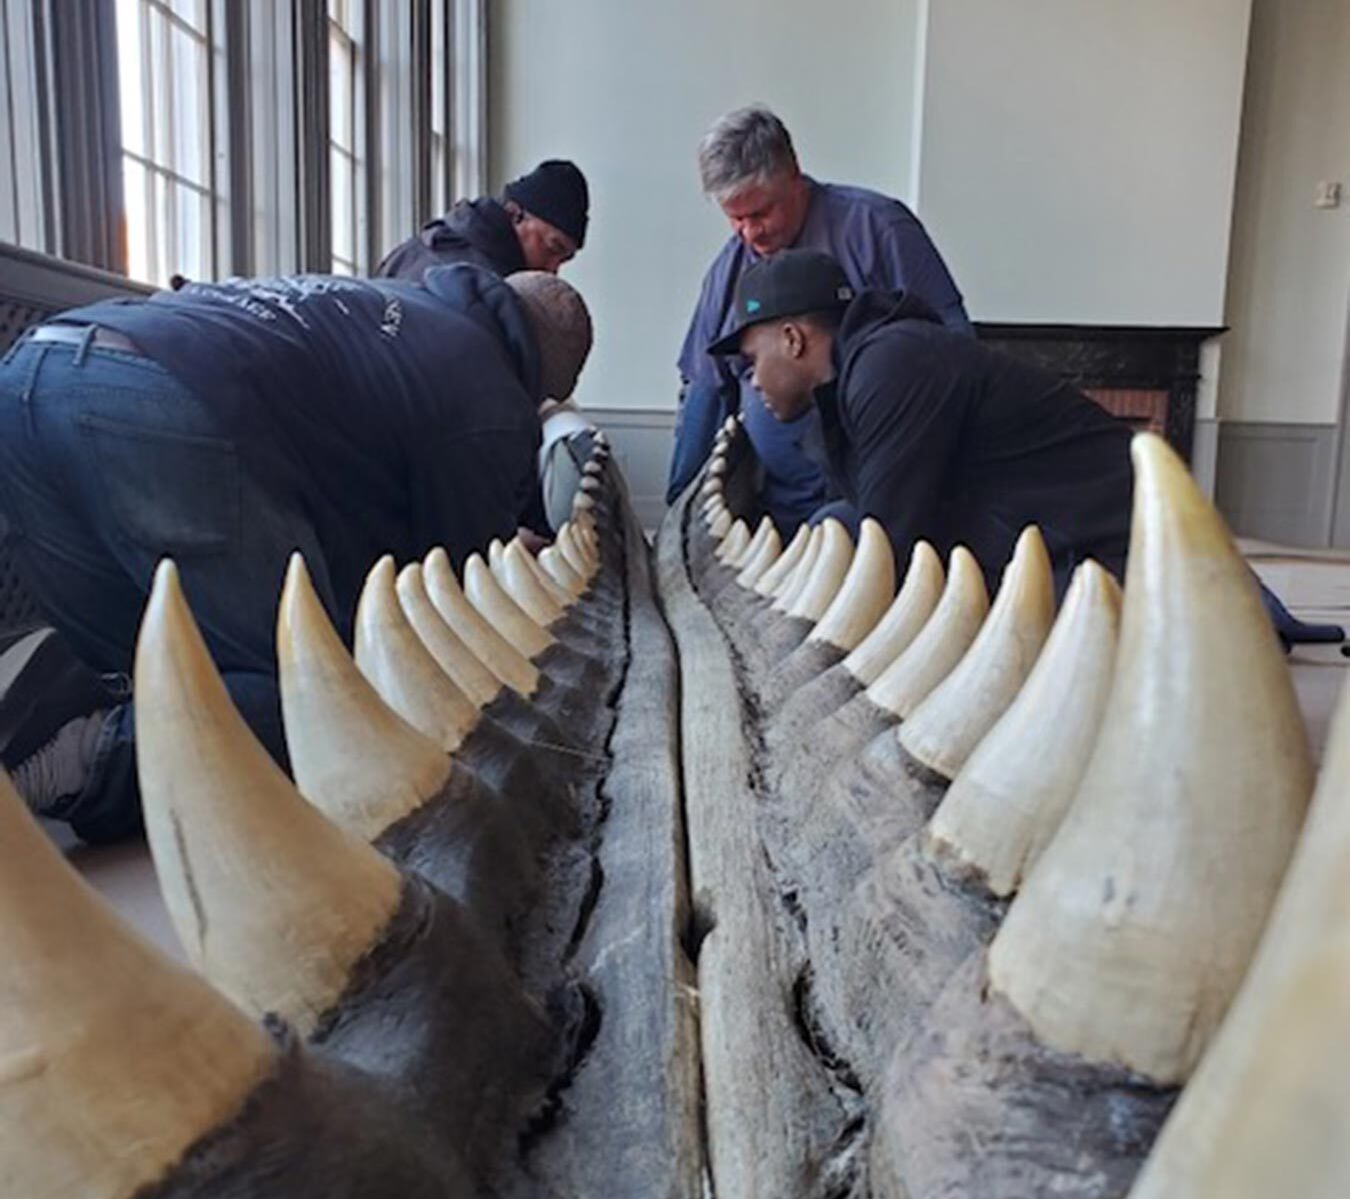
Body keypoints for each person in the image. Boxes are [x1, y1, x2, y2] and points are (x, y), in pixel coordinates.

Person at [0, 265, 592, 844]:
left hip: (37, 368)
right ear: (545, 384)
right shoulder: (489, 396)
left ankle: (56, 692)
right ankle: (75, 761)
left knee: (139, 654)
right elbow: (456, 609)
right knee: (316, 697)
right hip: (159, 408)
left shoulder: (401, 301)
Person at [710, 248, 1133, 592]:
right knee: (834, 526)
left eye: (751, 364)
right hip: (1030, 549)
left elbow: (885, 552)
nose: (754, 383)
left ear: (792, 339)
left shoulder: (893, 363)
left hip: (1109, 555)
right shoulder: (846, 392)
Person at [667, 105, 970, 526]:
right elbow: (705, 389)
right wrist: (678, 511)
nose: (750, 233)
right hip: (785, 508)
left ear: (795, 176)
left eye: (761, 213)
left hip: (891, 494)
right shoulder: (729, 270)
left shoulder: (879, 229)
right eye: (735, 219)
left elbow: (954, 346)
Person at [378, 159, 589, 282]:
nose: (552, 270)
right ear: (516, 215)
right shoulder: (488, 291)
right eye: (552, 248)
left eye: (563, 260)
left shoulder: (419, 247)